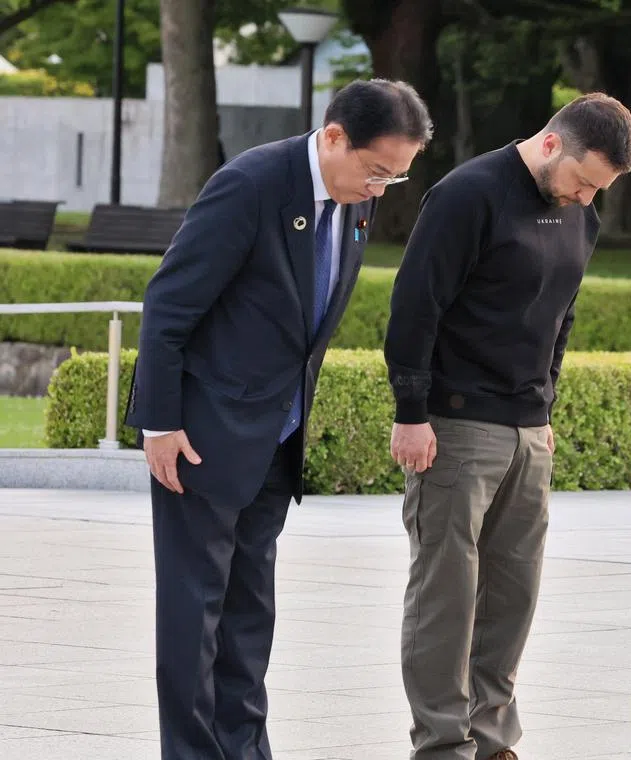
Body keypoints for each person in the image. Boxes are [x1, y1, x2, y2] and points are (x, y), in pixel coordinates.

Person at [124, 78, 433, 759]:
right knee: (193, 610)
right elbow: (169, 305)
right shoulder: (253, 185)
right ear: (333, 138)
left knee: (248, 613)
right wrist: (159, 423)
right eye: (377, 170)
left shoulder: (355, 201)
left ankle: (245, 749)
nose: (383, 189)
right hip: (201, 437)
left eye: (397, 176)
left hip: (275, 438)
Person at [384, 92, 631, 760]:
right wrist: (411, 413)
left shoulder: (582, 218)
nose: (586, 200)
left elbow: (563, 315)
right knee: (447, 596)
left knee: (513, 597)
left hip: (527, 430)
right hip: (456, 426)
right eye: (584, 183)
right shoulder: (468, 195)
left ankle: (492, 740)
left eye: (599, 191)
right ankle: (442, 745)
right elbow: (414, 307)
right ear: (551, 144)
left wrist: (544, 409)